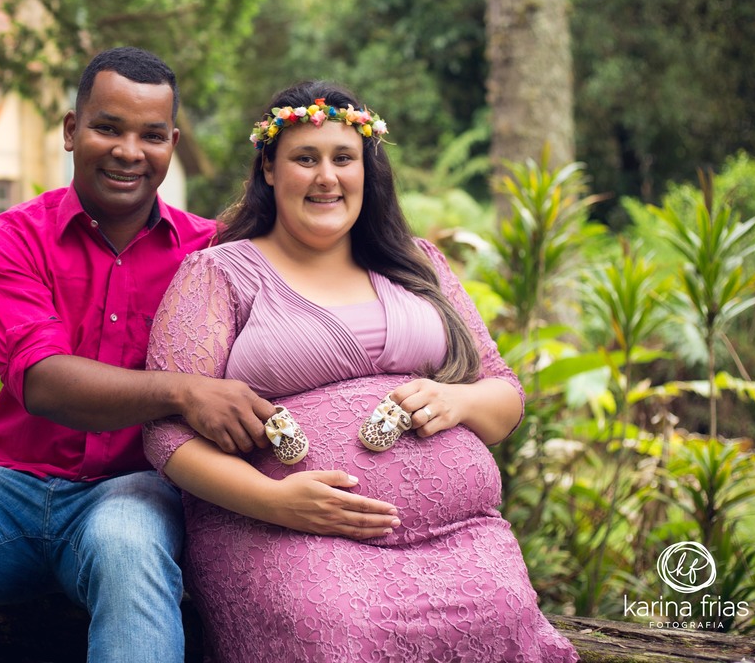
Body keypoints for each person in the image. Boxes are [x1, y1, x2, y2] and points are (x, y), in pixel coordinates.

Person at [0, 47, 283, 663]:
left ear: (171, 144)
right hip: (4, 488)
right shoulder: (11, 240)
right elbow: (44, 383)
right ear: (72, 131)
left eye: (150, 135)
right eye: (107, 127)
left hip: (134, 490)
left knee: (129, 550)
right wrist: (183, 390)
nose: (128, 151)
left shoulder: (214, 255)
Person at [143, 82, 579, 662]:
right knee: (337, 632)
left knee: (503, 620)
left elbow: (503, 396)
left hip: (461, 540)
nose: (327, 176)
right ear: (269, 169)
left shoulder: (418, 264)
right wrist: (274, 500)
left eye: (343, 158)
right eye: (305, 158)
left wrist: (460, 403)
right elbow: (165, 433)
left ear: (366, 169)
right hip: (284, 536)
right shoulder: (219, 274)